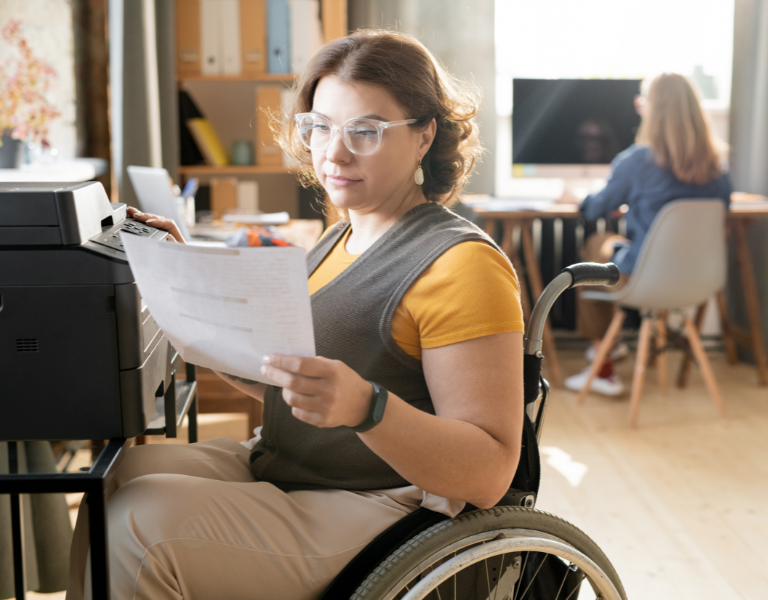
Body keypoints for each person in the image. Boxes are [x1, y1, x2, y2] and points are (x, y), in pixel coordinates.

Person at [66, 30, 525, 600]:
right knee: (113, 484)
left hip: (381, 504)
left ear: (425, 135)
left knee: (138, 526)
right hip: (294, 466)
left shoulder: (463, 266)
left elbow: (488, 472)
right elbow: (296, 385)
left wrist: (367, 406)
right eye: (319, 126)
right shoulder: (338, 239)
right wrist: (190, 288)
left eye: (365, 131)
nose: (333, 152)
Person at [561, 72, 733, 396]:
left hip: (646, 276)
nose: (639, 106)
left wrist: (577, 198)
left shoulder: (637, 160)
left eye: (643, 101)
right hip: (700, 279)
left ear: (653, 110)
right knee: (619, 246)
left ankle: (605, 364)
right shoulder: (717, 166)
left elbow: (596, 209)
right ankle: (612, 351)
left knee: (598, 243)